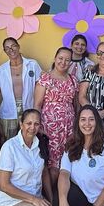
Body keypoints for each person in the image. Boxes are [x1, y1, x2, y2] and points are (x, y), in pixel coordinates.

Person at [0, 109, 64, 206]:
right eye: (28, 123)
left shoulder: (40, 144)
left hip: (34, 197)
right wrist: (33, 200)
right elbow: (4, 186)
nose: (32, 127)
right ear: (21, 124)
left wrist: (51, 199)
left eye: (36, 124)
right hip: (12, 201)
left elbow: (44, 172)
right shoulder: (9, 147)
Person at [34, 47, 77, 186]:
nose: (63, 62)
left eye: (67, 60)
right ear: (55, 58)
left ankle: (62, 191)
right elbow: (37, 104)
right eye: (60, 58)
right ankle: (48, 194)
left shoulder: (73, 79)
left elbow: (75, 105)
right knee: (52, 164)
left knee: (66, 163)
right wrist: (38, 126)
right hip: (50, 128)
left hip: (68, 128)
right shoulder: (45, 78)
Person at [0, 37, 42, 140]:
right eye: (7, 48)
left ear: (18, 47)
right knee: (8, 141)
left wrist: (39, 109)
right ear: (5, 51)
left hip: (29, 108)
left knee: (29, 139)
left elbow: (41, 87)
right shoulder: (1, 70)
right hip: (9, 112)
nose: (11, 50)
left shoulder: (32, 64)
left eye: (13, 46)